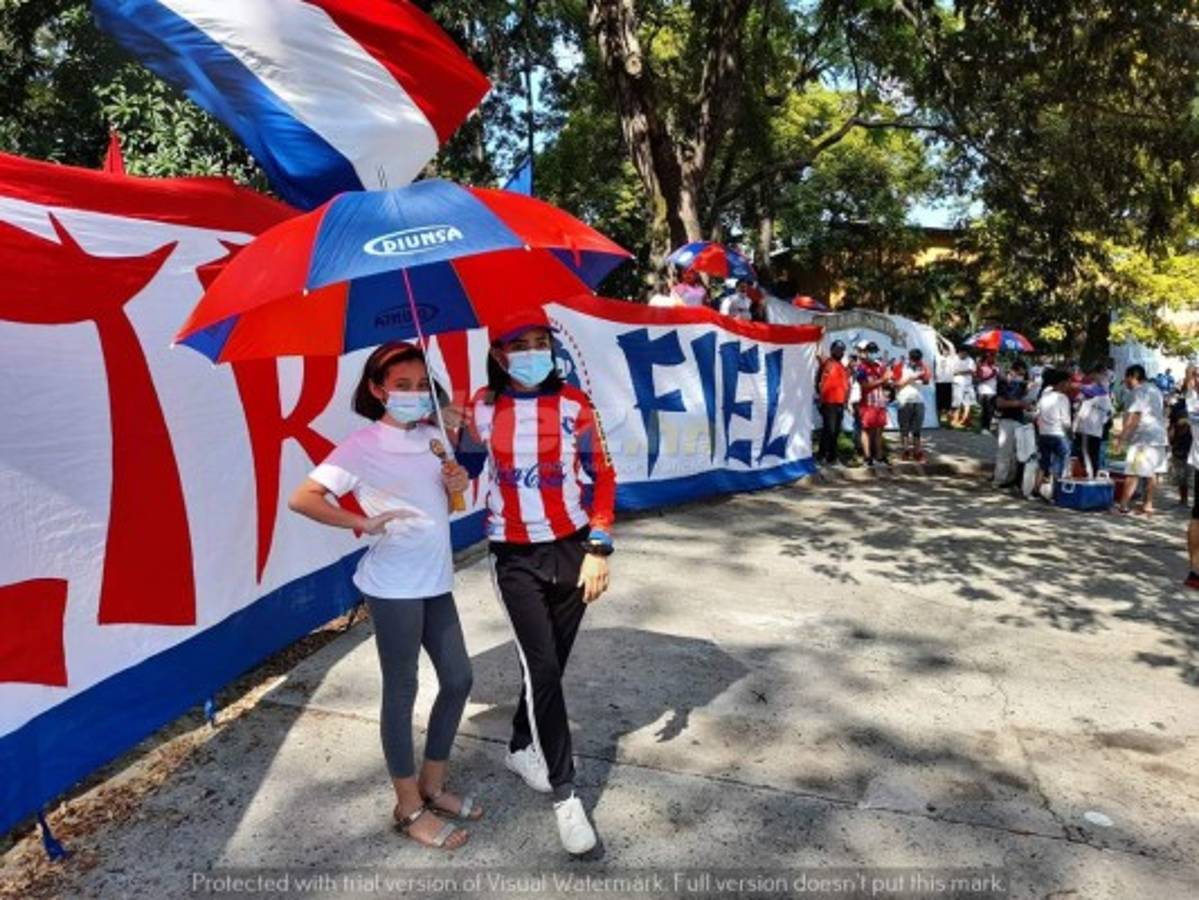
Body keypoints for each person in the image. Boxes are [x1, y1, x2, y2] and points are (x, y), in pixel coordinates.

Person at [288, 342, 479, 851]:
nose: (414, 395)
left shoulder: (436, 435)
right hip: (394, 585)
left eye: (422, 386)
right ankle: (407, 805)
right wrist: (361, 521)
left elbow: (448, 499)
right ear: (377, 390)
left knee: (459, 679)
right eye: (402, 387)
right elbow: (302, 497)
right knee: (403, 689)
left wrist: (456, 480)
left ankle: (433, 785)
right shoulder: (361, 446)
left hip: (435, 578)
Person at [456, 309, 616, 856]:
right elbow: (467, 474)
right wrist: (453, 447)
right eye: (517, 343)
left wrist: (599, 547)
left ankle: (522, 745)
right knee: (543, 666)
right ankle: (567, 798)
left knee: (549, 664)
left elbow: (603, 475)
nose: (530, 351)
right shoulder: (481, 406)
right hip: (514, 554)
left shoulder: (574, 405)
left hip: (573, 550)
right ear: (499, 355)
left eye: (539, 341)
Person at [1112, 364, 1168, 516]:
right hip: (1159, 436)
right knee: (1153, 472)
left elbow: (1135, 417)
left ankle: (1123, 505)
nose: (1125, 382)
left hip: (1143, 437)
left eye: (1126, 378)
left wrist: (1122, 438)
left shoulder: (1138, 392)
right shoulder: (1155, 390)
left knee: (1133, 471)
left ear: (1132, 377)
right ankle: (1148, 504)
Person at [1033, 369, 1072, 500]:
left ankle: (1035, 490)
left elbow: (1036, 414)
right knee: (1060, 463)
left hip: (1044, 434)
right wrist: (1071, 433)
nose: (1069, 386)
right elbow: (1066, 421)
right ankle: (1056, 494)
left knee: (1043, 463)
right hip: (1058, 434)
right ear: (1062, 383)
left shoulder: (1045, 396)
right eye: (1068, 383)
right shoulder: (1063, 398)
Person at [993, 360, 1031, 489]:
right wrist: (1019, 404)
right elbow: (1000, 403)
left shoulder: (1021, 386)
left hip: (1020, 420)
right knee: (1004, 452)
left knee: (1017, 453)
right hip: (1007, 420)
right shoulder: (1003, 384)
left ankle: (1011, 479)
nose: (1020, 376)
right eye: (1019, 373)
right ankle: (999, 480)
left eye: (1023, 374)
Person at [1074, 366, 1114, 478]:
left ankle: (1090, 476)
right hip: (1096, 430)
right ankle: (1093, 476)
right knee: (1093, 455)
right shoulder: (1105, 396)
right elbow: (1109, 415)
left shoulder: (1089, 392)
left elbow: (1077, 405)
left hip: (1086, 430)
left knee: (1086, 453)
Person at [856, 341, 891, 468]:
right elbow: (864, 385)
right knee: (866, 430)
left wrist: (888, 380)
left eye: (875, 351)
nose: (873, 353)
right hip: (867, 404)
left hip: (880, 403)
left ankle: (879, 457)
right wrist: (882, 380)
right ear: (865, 352)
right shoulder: (861, 368)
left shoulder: (879, 366)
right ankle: (867, 458)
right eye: (870, 351)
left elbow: (886, 383)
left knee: (879, 431)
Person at [893, 348, 931, 461]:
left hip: (918, 400)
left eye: (917, 360)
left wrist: (923, 375)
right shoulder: (900, 366)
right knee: (904, 428)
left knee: (917, 429)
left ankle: (917, 451)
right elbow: (895, 384)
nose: (915, 362)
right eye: (913, 359)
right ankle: (905, 450)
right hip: (904, 400)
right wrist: (911, 378)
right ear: (909, 357)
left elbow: (927, 381)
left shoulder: (922, 366)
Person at [817, 340, 851, 465]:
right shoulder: (827, 362)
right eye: (837, 349)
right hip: (828, 402)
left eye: (842, 350)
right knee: (829, 430)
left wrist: (846, 403)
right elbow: (818, 354)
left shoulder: (843, 367)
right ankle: (823, 456)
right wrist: (819, 337)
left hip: (840, 403)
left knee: (835, 431)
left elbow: (846, 386)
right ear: (832, 350)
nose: (840, 352)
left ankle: (831, 457)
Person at [1168, 366, 1195, 506]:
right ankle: (1183, 500)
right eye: (1189, 378)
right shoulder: (1179, 404)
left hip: (1194, 442)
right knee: (1181, 472)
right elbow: (1172, 424)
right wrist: (1170, 440)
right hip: (1181, 443)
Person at [1182, 367, 1199, 589]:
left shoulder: (1193, 402)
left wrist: (1192, 374)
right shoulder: (1193, 402)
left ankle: (1195, 571)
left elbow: (1189, 383)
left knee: (1198, 519)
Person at [950, 347, 977, 429]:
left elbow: (972, 371)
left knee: (968, 403)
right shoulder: (954, 359)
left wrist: (960, 372)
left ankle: (965, 420)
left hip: (968, 384)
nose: (964, 355)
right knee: (956, 402)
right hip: (957, 383)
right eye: (963, 353)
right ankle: (955, 420)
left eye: (966, 353)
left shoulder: (970, 360)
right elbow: (952, 371)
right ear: (959, 352)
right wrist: (964, 372)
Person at [976, 352, 999, 433]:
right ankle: (984, 428)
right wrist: (992, 375)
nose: (994, 359)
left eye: (994, 357)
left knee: (991, 411)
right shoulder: (981, 367)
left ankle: (987, 428)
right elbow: (979, 379)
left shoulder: (995, 368)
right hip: (984, 391)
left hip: (993, 391)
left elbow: (999, 379)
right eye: (992, 357)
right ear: (987, 358)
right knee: (985, 411)